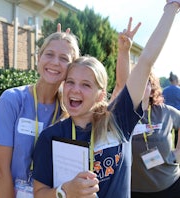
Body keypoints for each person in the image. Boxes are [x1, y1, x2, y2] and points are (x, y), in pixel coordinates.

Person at [32, 1, 180, 197]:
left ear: (101, 94)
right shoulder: (50, 136)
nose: (75, 90)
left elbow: (145, 62)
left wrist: (172, 7)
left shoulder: (118, 121)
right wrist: (64, 191)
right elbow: (39, 193)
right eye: (70, 82)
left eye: (86, 84)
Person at [0, 25, 80, 198]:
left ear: (71, 68)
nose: (55, 62)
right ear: (39, 58)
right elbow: (0, 171)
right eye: (49, 54)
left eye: (64, 58)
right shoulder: (11, 101)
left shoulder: (67, 112)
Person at [131, 72, 180, 198]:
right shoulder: (120, 114)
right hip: (132, 189)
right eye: (135, 82)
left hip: (169, 186)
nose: (139, 86)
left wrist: (178, 151)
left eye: (144, 82)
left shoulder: (165, 112)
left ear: (152, 89)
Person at [162, 71, 180, 146]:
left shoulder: (164, 90)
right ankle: (177, 149)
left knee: (167, 133)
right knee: (177, 135)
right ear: (176, 80)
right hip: (177, 115)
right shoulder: (179, 90)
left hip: (166, 115)